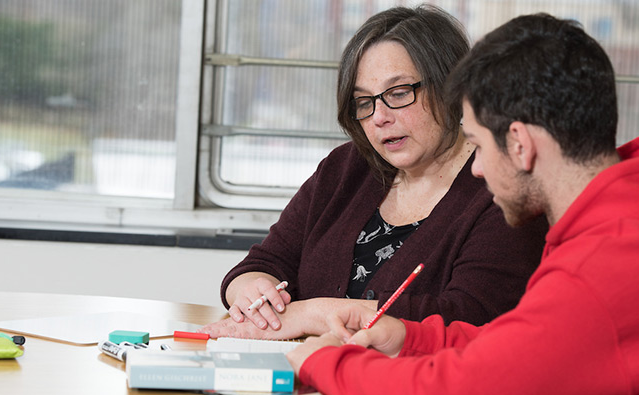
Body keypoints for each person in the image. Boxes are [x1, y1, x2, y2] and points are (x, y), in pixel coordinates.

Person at [286, 13, 639, 395]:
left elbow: (462, 391)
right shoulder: (632, 222)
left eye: (478, 146)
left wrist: (327, 363)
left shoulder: (609, 263)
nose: (476, 169)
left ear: (519, 144)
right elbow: (527, 346)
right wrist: (410, 337)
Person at [199, 5, 548, 339]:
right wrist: (250, 288)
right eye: (364, 102)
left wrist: (314, 315)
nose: (379, 116)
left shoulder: (502, 188)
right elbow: (266, 262)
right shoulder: (345, 167)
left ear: (449, 88)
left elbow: (469, 317)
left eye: (398, 93)